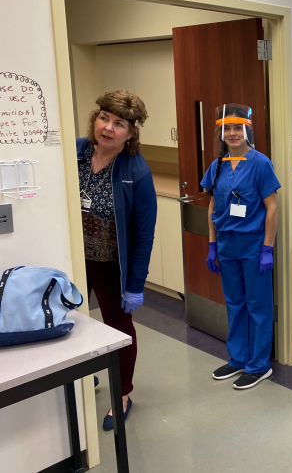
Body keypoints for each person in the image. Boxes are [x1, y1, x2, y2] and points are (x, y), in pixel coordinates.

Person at [76, 90, 156, 431]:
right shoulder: (75, 152)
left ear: (130, 132)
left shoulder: (135, 170)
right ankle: (81, 376)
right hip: (74, 260)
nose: (108, 128)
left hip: (111, 265)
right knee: (71, 323)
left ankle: (122, 393)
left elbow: (142, 234)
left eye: (119, 123)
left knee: (118, 329)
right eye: (104, 118)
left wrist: (135, 285)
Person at [202, 104, 280, 390]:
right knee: (234, 304)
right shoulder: (218, 165)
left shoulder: (260, 163)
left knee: (258, 305)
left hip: (252, 244)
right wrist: (212, 244)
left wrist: (267, 249)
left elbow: (272, 208)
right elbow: (212, 206)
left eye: (237, 128)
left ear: (247, 130)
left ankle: (259, 365)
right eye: (227, 128)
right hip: (226, 244)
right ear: (221, 133)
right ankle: (238, 358)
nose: (232, 134)